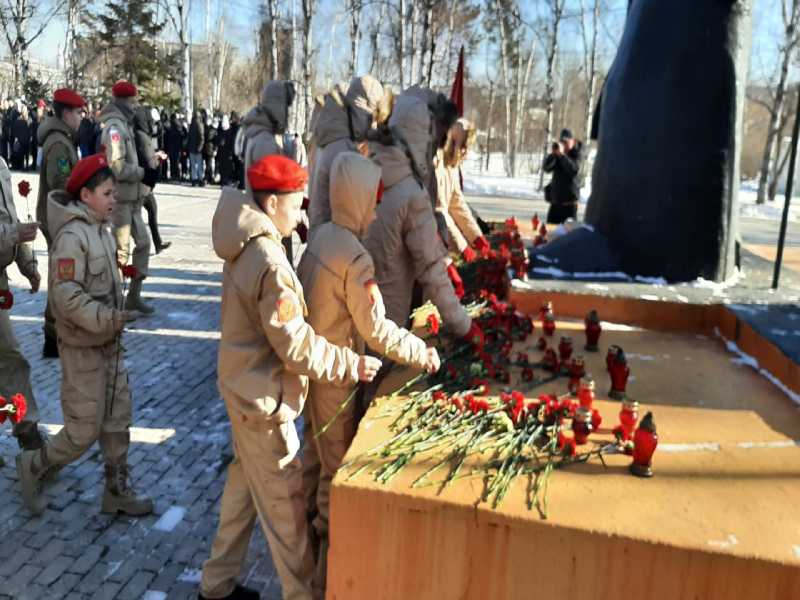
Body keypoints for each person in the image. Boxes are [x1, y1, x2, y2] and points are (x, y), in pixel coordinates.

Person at [198, 154, 382, 600]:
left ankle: (215, 587)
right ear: (275, 202)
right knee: (290, 522)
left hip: (243, 391)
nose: (302, 212)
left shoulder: (245, 238)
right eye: (297, 203)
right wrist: (349, 363)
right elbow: (296, 344)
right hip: (262, 403)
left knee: (242, 496)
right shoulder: (270, 262)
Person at [297, 151, 441, 595]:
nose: (377, 211)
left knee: (311, 462)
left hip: (312, 371)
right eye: (373, 202)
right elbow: (376, 329)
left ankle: (297, 548)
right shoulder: (355, 259)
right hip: (336, 380)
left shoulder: (322, 236)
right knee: (332, 480)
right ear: (358, 201)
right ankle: (323, 579)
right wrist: (422, 352)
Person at [16, 154, 152, 517]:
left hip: (109, 345)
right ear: (86, 195)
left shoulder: (100, 231)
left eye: (114, 194)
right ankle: (35, 464)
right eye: (107, 193)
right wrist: (107, 317)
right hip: (82, 350)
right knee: (82, 431)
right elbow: (65, 297)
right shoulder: (72, 237)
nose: (113, 200)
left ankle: (116, 489)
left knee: (117, 418)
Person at [362, 94, 483, 406]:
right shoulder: (410, 193)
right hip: (386, 313)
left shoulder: (364, 166)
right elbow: (431, 268)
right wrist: (464, 325)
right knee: (374, 396)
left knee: (353, 394)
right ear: (422, 137)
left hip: (351, 306)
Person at [0, 154, 48, 457]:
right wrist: (12, 235)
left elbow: (10, 218)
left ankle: (28, 433)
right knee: (10, 358)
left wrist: (27, 262)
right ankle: (29, 434)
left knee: (10, 359)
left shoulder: (1, 164)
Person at [36, 88, 85, 359]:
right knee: (63, 276)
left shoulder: (62, 138)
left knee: (65, 275)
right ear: (66, 113)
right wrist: (86, 182)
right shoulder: (58, 143)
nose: (81, 117)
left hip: (60, 216)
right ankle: (53, 337)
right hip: (58, 218)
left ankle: (56, 333)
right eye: (78, 113)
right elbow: (59, 182)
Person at [306, 76, 389, 234]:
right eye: (372, 119)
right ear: (362, 114)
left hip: (322, 241)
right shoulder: (345, 152)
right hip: (336, 249)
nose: (374, 126)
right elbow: (353, 218)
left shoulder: (331, 140)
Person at [97, 80, 153, 314]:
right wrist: (141, 173)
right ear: (122, 103)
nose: (135, 106)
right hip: (119, 201)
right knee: (120, 251)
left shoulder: (124, 124)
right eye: (132, 102)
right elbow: (116, 166)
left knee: (144, 243)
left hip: (132, 201)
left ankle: (133, 296)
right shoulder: (114, 128)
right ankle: (115, 304)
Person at [242, 81, 296, 261]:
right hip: (270, 228)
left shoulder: (261, 135)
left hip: (263, 225)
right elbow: (274, 197)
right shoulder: (265, 142)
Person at [434, 118, 490, 262]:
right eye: (464, 146)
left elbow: (457, 203)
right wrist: (463, 248)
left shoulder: (452, 165)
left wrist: (477, 238)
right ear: (451, 143)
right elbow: (439, 211)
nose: (467, 152)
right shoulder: (436, 163)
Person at [133, 107, 170, 254]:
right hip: (141, 183)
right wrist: (158, 158)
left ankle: (157, 243)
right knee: (135, 217)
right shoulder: (141, 136)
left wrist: (155, 155)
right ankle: (142, 244)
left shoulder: (142, 135)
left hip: (145, 183)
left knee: (152, 210)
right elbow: (148, 162)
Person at [543, 128, 585, 224]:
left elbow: (574, 169)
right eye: (562, 141)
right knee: (550, 233)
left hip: (569, 204)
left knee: (568, 235)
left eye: (566, 142)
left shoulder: (578, 153)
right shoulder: (560, 153)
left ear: (573, 141)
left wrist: (562, 156)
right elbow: (546, 168)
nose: (564, 144)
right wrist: (553, 155)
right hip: (555, 203)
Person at [188, 110, 204, 187]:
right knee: (197, 165)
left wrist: (199, 147)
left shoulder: (195, 125)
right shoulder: (199, 125)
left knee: (195, 165)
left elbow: (201, 138)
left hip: (195, 148)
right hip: (195, 148)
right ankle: (198, 180)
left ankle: (196, 179)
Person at [11, 104, 31, 170]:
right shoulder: (18, 118)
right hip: (20, 138)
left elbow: (31, 128)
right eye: (22, 109)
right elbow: (15, 128)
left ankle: (27, 165)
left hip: (27, 138)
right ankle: (22, 165)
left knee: (27, 153)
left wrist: (31, 136)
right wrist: (16, 137)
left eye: (24, 109)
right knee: (21, 153)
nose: (23, 111)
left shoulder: (29, 118)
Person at [217, 114, 234, 186]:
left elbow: (231, 143)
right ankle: (222, 179)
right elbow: (217, 140)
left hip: (227, 152)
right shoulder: (220, 131)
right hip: (221, 152)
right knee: (221, 167)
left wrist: (231, 153)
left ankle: (226, 180)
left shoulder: (229, 133)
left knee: (227, 168)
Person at [204, 112, 218, 185]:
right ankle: (209, 178)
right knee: (207, 164)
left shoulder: (213, 130)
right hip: (205, 149)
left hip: (211, 149)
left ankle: (208, 177)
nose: (207, 122)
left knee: (209, 165)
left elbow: (216, 141)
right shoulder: (204, 128)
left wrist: (215, 149)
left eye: (208, 120)